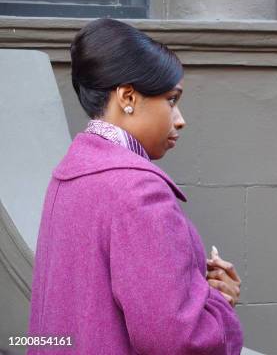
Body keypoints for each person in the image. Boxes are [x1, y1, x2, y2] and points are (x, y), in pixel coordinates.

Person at [28, 18, 243, 354]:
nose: (180, 118)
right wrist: (217, 302)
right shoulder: (138, 191)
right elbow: (175, 340)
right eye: (171, 100)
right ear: (127, 96)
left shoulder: (67, 177)